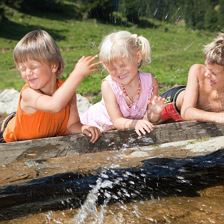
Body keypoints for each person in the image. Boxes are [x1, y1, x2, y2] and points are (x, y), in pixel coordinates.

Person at [0, 29, 101, 143]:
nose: (27, 72)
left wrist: (83, 128)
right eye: (22, 68)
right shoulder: (28, 94)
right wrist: (77, 74)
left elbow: (72, 125)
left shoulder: (67, 92)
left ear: (53, 66)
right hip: (8, 143)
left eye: (33, 67)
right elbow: (54, 105)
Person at [80, 30, 165, 136]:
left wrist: (154, 113)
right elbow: (117, 121)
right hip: (97, 128)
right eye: (112, 68)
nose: (119, 72)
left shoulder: (150, 82)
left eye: (122, 65)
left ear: (137, 57)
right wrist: (135, 123)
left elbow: (148, 119)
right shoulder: (108, 85)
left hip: (123, 132)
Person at [159, 32, 224, 123]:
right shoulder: (197, 71)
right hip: (170, 104)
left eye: (213, 73)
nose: (206, 74)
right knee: (143, 117)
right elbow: (186, 112)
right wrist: (217, 117)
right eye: (206, 68)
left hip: (187, 120)